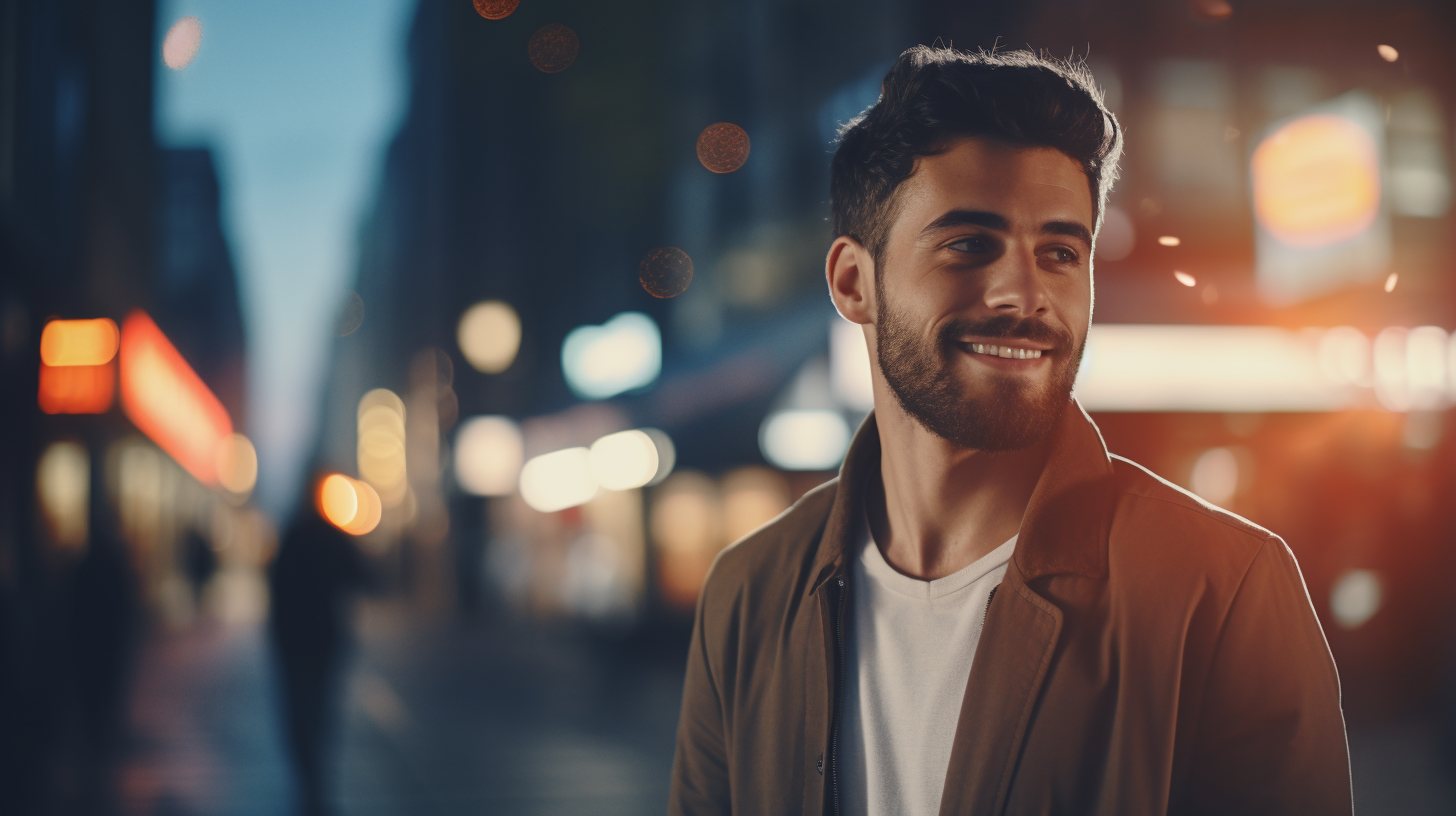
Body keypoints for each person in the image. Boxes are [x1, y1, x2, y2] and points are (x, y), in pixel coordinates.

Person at [668, 46, 1351, 815]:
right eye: (969, 244)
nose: (1024, 295)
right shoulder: (748, 593)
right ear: (854, 283)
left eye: (1060, 253)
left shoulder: (1221, 593)